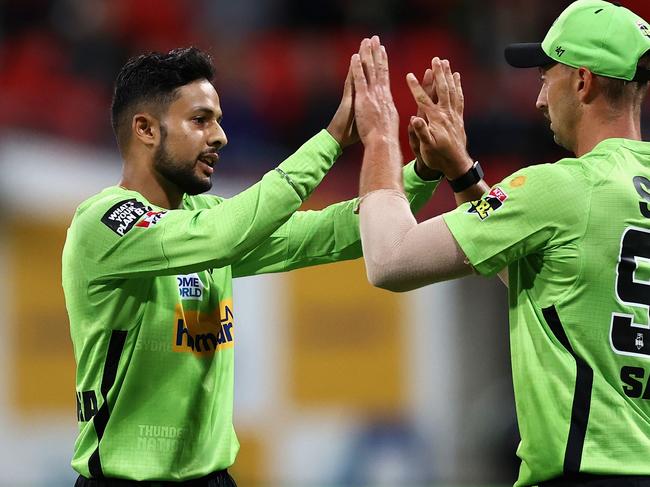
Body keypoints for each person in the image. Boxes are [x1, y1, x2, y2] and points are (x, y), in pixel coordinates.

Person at [61, 47, 441, 486]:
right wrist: (332, 140)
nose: (220, 136)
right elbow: (223, 235)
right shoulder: (106, 223)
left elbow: (332, 233)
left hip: (215, 479)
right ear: (146, 129)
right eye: (200, 120)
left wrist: (422, 173)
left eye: (217, 120)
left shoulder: (203, 220)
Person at [351, 0, 650, 485]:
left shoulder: (560, 187)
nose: (537, 99)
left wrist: (381, 136)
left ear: (582, 81)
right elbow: (556, 283)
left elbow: (390, 260)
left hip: (585, 472)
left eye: (544, 75)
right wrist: (465, 175)